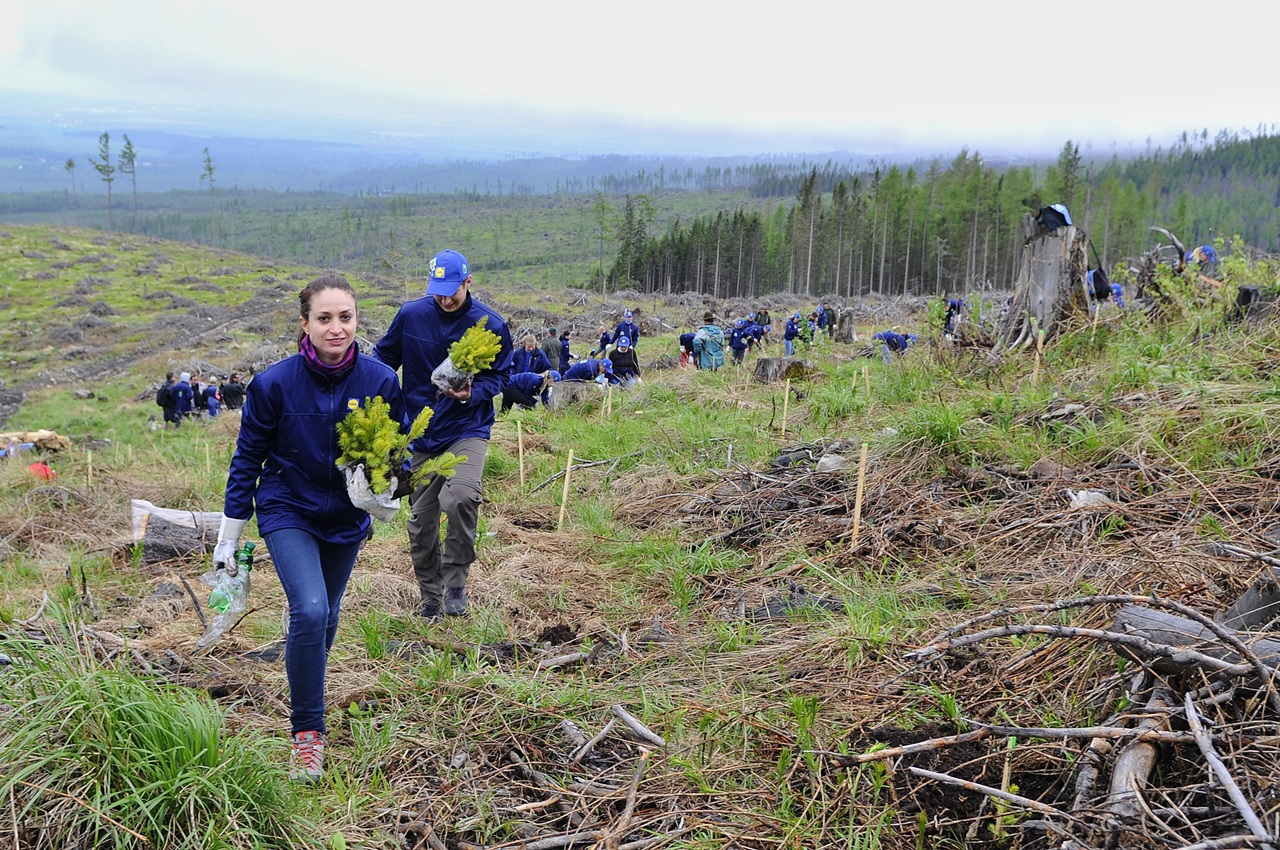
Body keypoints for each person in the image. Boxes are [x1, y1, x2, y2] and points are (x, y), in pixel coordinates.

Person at [216, 274, 408, 784]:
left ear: (356, 319)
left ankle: (305, 681)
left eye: (345, 317)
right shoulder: (274, 384)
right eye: (324, 318)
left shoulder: (380, 381)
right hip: (287, 510)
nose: (336, 328)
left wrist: (386, 493)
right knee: (310, 608)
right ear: (304, 323)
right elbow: (247, 460)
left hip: (346, 517)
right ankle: (307, 733)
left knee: (326, 618)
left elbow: (395, 454)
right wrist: (229, 536)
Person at [372, 249, 513, 622]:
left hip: (467, 427)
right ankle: (430, 595)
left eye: (453, 290)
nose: (445, 298)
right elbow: (383, 358)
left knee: (461, 497)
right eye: (438, 290)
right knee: (421, 522)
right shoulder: (411, 315)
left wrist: (473, 393)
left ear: (468, 282)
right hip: (420, 434)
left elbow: (502, 377)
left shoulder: (490, 323)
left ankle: (456, 584)